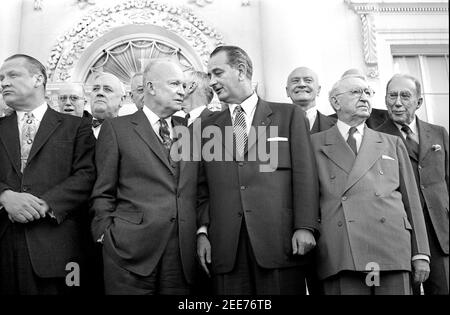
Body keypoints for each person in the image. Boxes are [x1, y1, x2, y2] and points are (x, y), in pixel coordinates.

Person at [197, 45, 320, 295]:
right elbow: (202, 188)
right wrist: (202, 231)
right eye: (209, 76)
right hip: (226, 249)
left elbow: (305, 175)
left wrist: (305, 226)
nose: (212, 82)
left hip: (280, 243)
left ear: (241, 70)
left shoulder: (289, 115)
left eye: (217, 73)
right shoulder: (205, 127)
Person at [310, 74, 430, 294]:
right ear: (335, 102)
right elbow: (306, 199)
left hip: (392, 248)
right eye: (356, 92)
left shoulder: (391, 142)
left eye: (368, 92)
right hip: (343, 250)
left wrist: (420, 252)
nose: (364, 98)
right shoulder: (314, 143)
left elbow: (411, 199)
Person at [90, 59, 199, 295]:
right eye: (174, 84)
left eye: (184, 85)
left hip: (181, 255)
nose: (182, 90)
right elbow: (103, 190)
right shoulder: (117, 129)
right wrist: (105, 235)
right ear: (150, 87)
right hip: (129, 253)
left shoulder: (191, 131)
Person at [0, 54, 96, 294]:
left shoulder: (77, 126)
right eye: (1, 78)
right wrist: (4, 196)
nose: (3, 83)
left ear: (38, 79)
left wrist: (44, 204)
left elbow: (87, 174)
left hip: (57, 250)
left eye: (12, 75)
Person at [377, 74, 449, 295]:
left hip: (440, 232)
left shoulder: (438, 133)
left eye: (405, 96)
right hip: (401, 231)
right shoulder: (376, 136)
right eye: (392, 96)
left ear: (418, 102)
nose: (397, 102)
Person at [286, 67, 335, 133]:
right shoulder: (272, 126)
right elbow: (272, 144)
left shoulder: (337, 127)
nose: (301, 84)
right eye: (295, 81)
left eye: (308, 81)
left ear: (318, 90)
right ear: (287, 91)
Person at [90, 72, 125, 138]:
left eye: (107, 89)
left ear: (121, 100)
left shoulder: (130, 131)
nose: (99, 93)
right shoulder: (76, 129)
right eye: (95, 89)